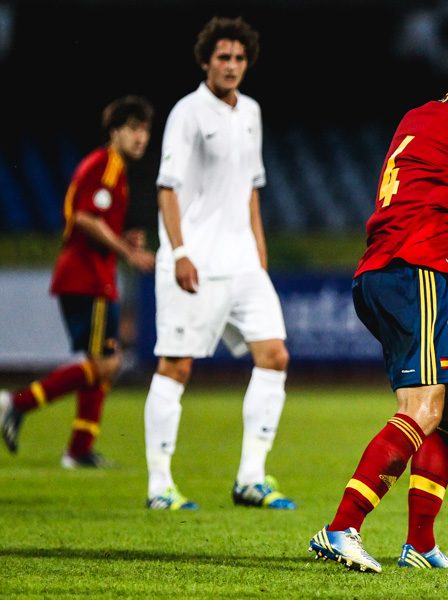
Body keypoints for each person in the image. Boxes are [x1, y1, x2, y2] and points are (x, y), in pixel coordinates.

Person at [308, 32, 448, 573]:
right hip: (417, 269)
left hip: (376, 272)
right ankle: (342, 528)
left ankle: (420, 545)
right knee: (424, 405)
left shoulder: (415, 116)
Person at [142, 16, 295, 512]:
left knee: (274, 356)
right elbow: (167, 189)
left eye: (239, 58)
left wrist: (260, 255)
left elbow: (251, 190)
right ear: (206, 61)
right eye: (222, 57)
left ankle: (251, 477)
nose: (231, 66)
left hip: (243, 263)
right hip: (196, 261)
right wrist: (180, 251)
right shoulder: (187, 113)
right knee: (177, 366)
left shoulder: (250, 111)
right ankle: (160, 484)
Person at [0, 96, 156, 468]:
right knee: (106, 364)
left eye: (145, 131)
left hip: (91, 274)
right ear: (115, 131)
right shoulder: (105, 165)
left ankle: (80, 448)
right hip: (89, 276)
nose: (140, 137)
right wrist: (126, 251)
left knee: (103, 362)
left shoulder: (112, 168)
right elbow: (86, 218)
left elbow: (92, 218)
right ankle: (16, 403)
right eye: (133, 129)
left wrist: (122, 238)